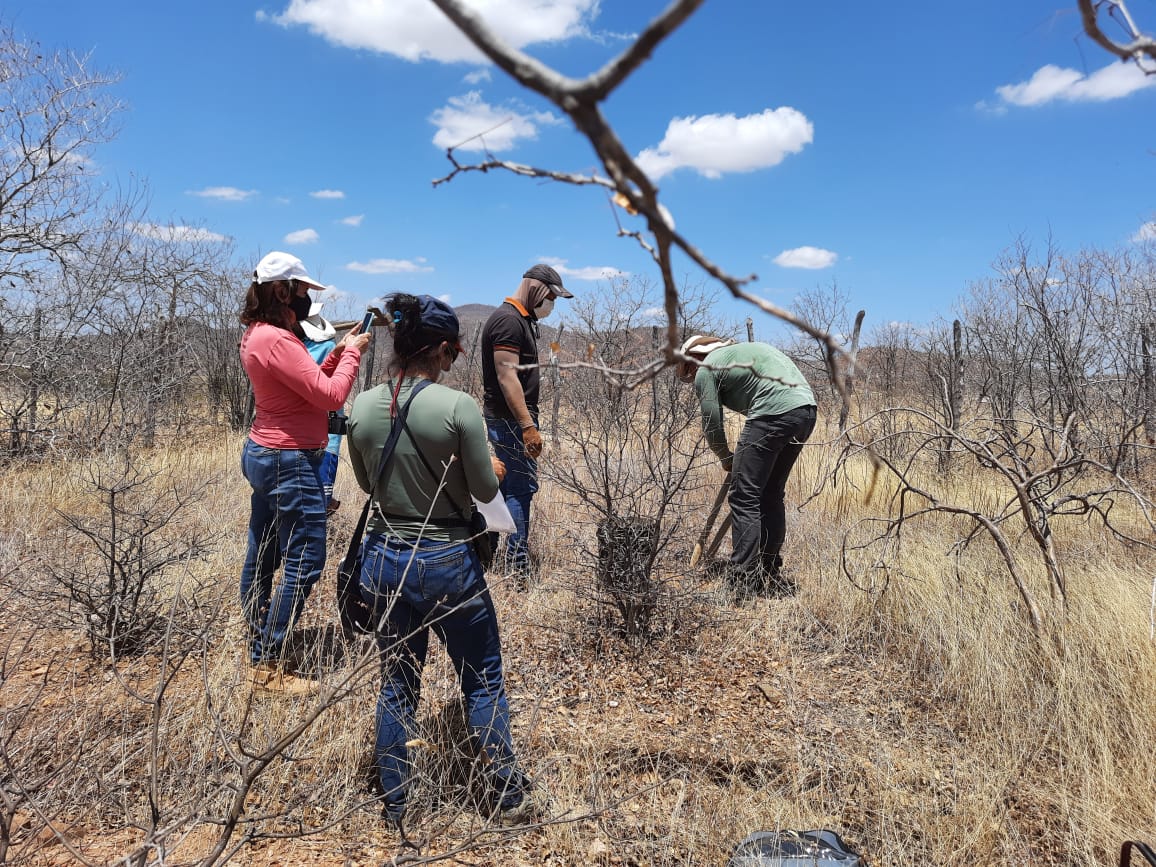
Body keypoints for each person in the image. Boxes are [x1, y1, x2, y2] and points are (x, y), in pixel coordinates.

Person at [347, 293, 533, 829]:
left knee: (398, 679)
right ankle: (505, 793)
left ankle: (397, 802)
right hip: (450, 559)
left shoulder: (361, 407)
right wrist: (494, 470)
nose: (453, 360)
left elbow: (367, 485)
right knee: (482, 678)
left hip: (382, 560)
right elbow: (481, 486)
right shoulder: (457, 408)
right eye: (452, 351)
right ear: (439, 350)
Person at [239, 251, 371, 695]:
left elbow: (310, 387)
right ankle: (265, 662)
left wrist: (336, 353)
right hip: (289, 459)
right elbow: (331, 397)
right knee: (306, 558)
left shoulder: (260, 335)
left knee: (264, 549)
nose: (305, 300)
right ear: (281, 291)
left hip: (268, 451)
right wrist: (351, 355)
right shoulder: (277, 340)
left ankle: (257, 634)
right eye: (301, 291)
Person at [677, 335, 818, 598]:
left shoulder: (707, 368)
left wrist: (725, 456)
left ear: (695, 357)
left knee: (744, 496)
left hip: (773, 413)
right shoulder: (744, 353)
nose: (692, 375)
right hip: (806, 412)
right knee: (770, 494)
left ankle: (741, 581)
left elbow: (711, 422)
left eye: (689, 368)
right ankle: (767, 571)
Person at [479, 263, 574, 583]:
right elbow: (507, 378)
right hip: (511, 422)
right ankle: (517, 569)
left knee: (502, 487)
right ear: (537, 289)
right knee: (521, 489)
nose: (552, 305)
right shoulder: (508, 321)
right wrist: (527, 425)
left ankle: (485, 554)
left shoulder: (519, 319)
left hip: (509, 420)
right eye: (551, 297)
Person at [300, 301, 345, 513]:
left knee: (316, 501)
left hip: (323, 436)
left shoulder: (325, 348)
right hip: (308, 436)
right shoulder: (297, 347)